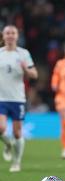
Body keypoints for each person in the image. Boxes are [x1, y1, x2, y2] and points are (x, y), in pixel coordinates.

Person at [0, 25, 38, 172]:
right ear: (3, 36)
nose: (10, 35)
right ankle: (8, 145)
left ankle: (16, 162)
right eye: (7, 33)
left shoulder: (23, 53)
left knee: (17, 132)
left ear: (17, 36)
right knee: (1, 127)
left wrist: (25, 69)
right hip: (1, 98)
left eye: (13, 33)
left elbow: (34, 74)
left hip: (17, 98)